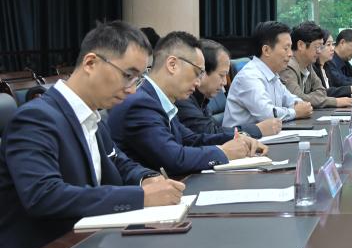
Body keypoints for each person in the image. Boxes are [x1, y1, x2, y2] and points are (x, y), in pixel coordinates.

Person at [0, 21, 184, 248]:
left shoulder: (92, 115)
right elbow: (44, 196)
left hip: (86, 247)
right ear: (90, 63)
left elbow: (118, 162)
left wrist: (148, 179)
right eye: (127, 75)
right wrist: (141, 196)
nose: (131, 89)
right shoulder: (36, 118)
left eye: (138, 79)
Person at [107, 31, 265, 175]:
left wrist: (238, 138)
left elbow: (192, 140)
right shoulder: (141, 104)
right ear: (172, 65)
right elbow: (174, 159)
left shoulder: (158, 99)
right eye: (198, 73)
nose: (198, 82)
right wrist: (223, 152)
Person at [176, 39, 282, 139]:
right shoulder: (183, 99)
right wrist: (258, 129)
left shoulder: (202, 100)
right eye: (221, 75)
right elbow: (209, 134)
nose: (225, 83)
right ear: (203, 72)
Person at [223, 21, 314, 128]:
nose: (290, 54)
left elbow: (291, 99)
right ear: (266, 50)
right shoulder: (249, 76)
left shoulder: (272, 75)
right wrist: (295, 112)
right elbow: (267, 114)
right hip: (240, 137)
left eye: (290, 48)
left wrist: (301, 106)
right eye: (286, 48)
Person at [280, 22, 352, 109]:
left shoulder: (308, 65)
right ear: (301, 45)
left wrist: (307, 97)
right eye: (317, 47)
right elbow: (298, 99)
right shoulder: (287, 67)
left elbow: (322, 91)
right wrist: (334, 101)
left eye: (321, 47)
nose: (319, 51)